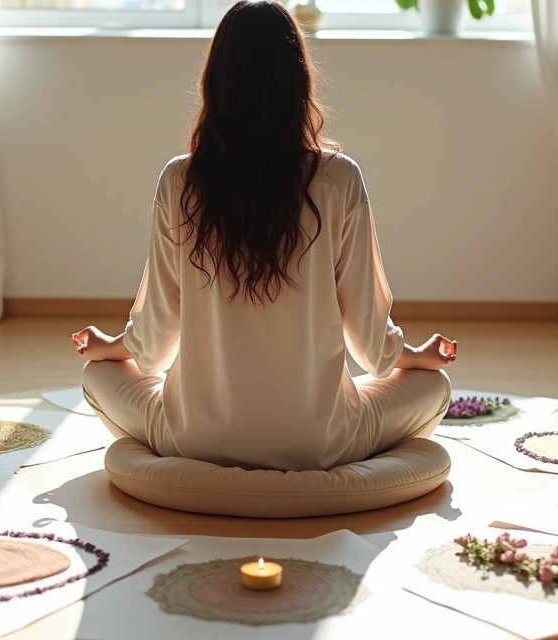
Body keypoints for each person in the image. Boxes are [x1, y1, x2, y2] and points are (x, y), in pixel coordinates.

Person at [71, 0, 455, 472]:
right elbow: (374, 349)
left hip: (193, 438)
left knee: (96, 375)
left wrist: (110, 347)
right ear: (298, 84)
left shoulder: (179, 180)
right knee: (434, 387)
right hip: (321, 443)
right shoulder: (338, 179)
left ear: (215, 83)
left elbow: (152, 347)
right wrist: (416, 357)